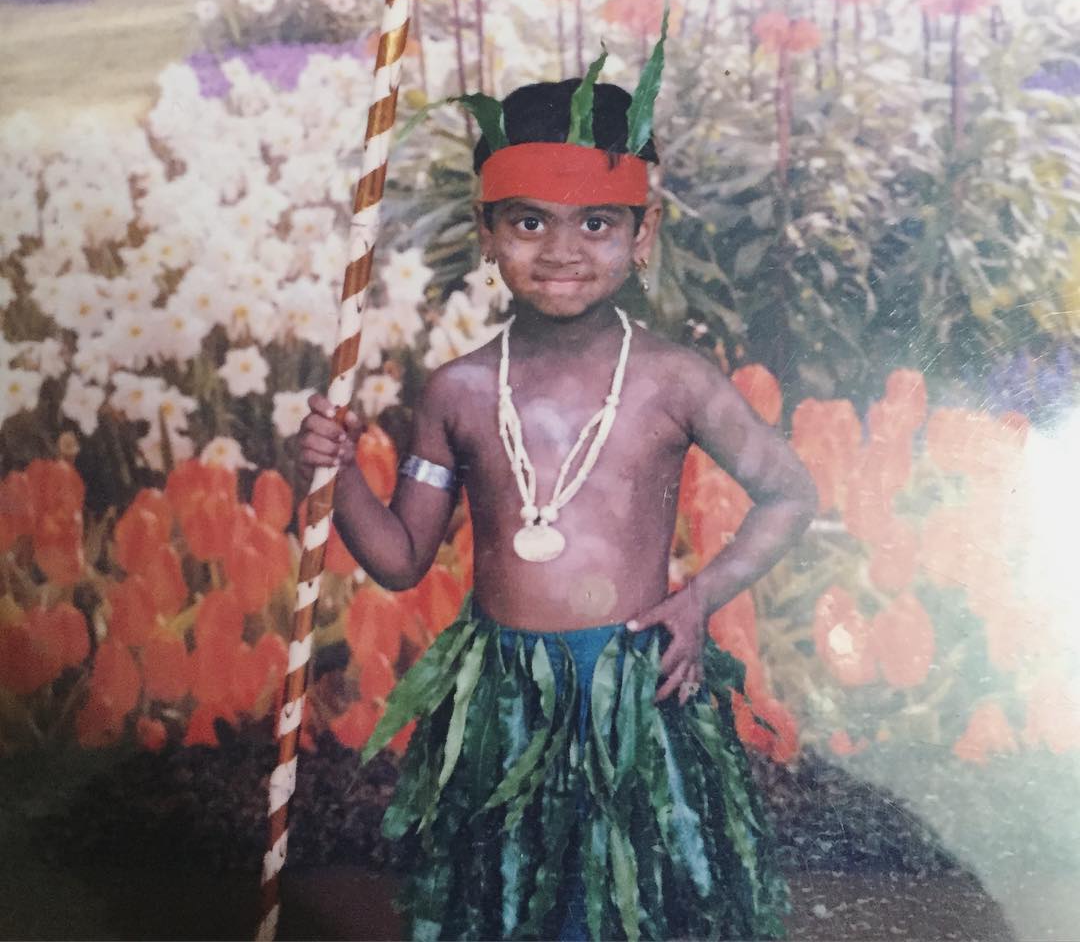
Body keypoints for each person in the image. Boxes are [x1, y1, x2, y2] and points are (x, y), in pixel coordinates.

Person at [297, 70, 818, 941]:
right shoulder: (460, 391)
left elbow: (790, 492)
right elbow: (397, 559)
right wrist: (337, 470)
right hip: (505, 704)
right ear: (488, 233)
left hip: (631, 688)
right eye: (529, 221)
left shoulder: (673, 381)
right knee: (512, 906)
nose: (562, 248)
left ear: (642, 232)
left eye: (597, 222)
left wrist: (699, 598)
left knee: (629, 909)